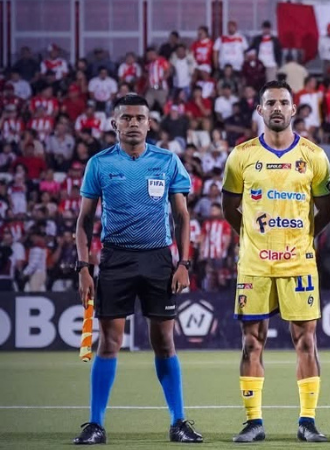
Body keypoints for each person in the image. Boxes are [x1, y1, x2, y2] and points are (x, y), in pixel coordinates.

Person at [72, 94, 202, 444]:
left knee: (164, 342)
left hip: (159, 259)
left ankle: (178, 422)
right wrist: (84, 267)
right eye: (126, 117)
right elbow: (83, 221)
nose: (133, 123)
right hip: (115, 259)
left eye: (139, 117)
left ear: (149, 123)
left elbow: (182, 216)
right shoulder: (99, 164)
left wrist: (183, 263)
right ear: (114, 123)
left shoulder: (167, 160)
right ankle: (95, 424)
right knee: (109, 342)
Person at [221, 80, 330, 443]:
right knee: (252, 342)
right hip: (254, 265)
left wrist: (301, 237)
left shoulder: (314, 156)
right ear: (259, 109)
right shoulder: (241, 156)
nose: (277, 109)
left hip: (298, 264)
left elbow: (326, 209)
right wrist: (253, 236)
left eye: (284, 102)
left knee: (306, 341)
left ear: (294, 108)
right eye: (270, 102)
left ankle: (308, 420)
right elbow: (229, 206)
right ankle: (253, 421)